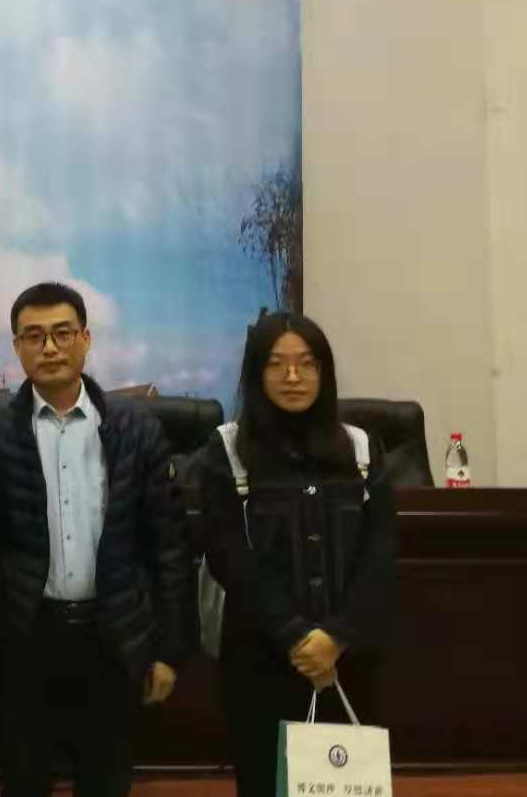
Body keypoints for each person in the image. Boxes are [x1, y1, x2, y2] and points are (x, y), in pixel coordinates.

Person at [0, 282, 196, 797]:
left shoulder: (134, 429)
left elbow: (168, 547)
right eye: (35, 336)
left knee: (106, 779)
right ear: (17, 347)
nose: (50, 347)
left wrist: (170, 649)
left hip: (111, 636)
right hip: (25, 638)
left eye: (62, 333)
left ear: (86, 339)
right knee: (24, 779)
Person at [202, 312, 395, 797]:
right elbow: (228, 555)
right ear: (256, 374)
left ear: (324, 372)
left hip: (348, 659)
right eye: (277, 364)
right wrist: (296, 636)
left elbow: (379, 551)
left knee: (347, 785)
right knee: (265, 782)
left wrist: (336, 636)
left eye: (307, 364)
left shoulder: (362, 449)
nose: (293, 376)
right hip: (261, 659)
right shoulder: (228, 450)